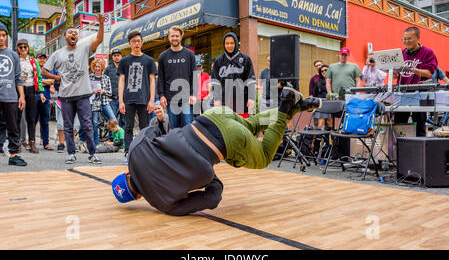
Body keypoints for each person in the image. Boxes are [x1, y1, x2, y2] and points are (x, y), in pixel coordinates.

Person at [111, 86, 322, 216]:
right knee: (250, 126)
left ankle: (285, 107)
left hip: (223, 143)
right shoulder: (135, 151)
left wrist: (208, 178)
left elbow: (212, 199)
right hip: (212, 116)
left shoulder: (163, 204)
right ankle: (296, 107)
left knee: (264, 157)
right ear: (127, 174)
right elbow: (156, 128)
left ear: (137, 197)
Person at [41, 13, 105, 164]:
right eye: (70, 32)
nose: (73, 34)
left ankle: (92, 153)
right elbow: (43, 71)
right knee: (68, 126)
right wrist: (57, 78)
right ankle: (71, 153)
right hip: (66, 96)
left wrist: (101, 24)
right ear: (65, 37)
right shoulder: (57, 54)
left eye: (76, 33)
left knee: (87, 125)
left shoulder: (84, 49)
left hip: (83, 94)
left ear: (77, 37)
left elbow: (99, 39)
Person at [118, 30, 156, 161]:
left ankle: (144, 152)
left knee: (144, 127)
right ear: (129, 43)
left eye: (139, 41)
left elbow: (152, 80)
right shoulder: (124, 61)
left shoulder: (149, 60)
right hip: (128, 99)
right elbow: (121, 81)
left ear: (142, 42)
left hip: (144, 98)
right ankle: (128, 153)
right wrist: (120, 101)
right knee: (128, 126)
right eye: (134, 41)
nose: (137, 43)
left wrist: (151, 100)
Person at [394, 27, 438, 137]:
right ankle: (399, 151)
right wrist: (389, 70)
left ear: (418, 38)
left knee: (419, 126)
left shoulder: (427, 52)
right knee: (399, 125)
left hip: (419, 94)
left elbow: (429, 73)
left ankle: (421, 152)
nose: (406, 41)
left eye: (409, 38)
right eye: (404, 39)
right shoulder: (401, 53)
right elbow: (397, 75)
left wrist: (413, 70)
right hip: (402, 95)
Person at [211, 32, 256, 118]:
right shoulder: (218, 61)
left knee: (242, 128)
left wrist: (251, 98)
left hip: (242, 102)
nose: (229, 46)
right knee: (227, 129)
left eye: (232, 43)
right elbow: (215, 82)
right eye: (227, 43)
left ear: (236, 43)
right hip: (224, 103)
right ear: (224, 44)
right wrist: (217, 99)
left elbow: (251, 80)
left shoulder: (246, 59)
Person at [0, 22, 27, 166]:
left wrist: (21, 96)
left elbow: (18, 77)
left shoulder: (13, 55)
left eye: (3, 35)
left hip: (10, 97)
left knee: (13, 127)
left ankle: (14, 155)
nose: (1, 38)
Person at [158, 26, 196, 128]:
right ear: (169, 37)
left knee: (188, 127)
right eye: (172, 36)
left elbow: (194, 75)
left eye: (177, 36)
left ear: (181, 37)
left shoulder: (189, 54)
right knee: (174, 129)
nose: (174, 38)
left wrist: (193, 94)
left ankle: (187, 145)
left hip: (187, 98)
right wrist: (161, 95)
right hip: (171, 98)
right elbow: (160, 78)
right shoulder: (163, 56)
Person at [16, 39, 45, 153]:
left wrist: (41, 92)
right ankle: (17, 142)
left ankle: (32, 142)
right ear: (18, 49)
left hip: (31, 89)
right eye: (20, 47)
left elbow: (38, 77)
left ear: (28, 48)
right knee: (18, 117)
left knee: (31, 118)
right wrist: (18, 79)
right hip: (19, 90)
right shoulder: (16, 60)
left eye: (25, 47)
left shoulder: (33, 61)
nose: (23, 49)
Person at [89, 59, 117, 146]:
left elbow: (110, 93)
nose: (97, 68)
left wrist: (103, 91)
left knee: (113, 119)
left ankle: (112, 139)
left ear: (102, 68)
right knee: (94, 122)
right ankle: (96, 142)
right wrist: (92, 91)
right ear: (93, 67)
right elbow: (85, 91)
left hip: (104, 102)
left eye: (99, 66)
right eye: (96, 66)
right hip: (94, 103)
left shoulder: (106, 78)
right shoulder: (90, 77)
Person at [35, 52, 55, 150]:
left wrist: (39, 82)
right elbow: (34, 81)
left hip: (46, 99)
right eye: (40, 58)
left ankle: (46, 143)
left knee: (45, 122)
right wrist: (44, 82)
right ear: (36, 59)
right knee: (33, 122)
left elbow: (52, 82)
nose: (42, 60)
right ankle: (31, 142)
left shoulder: (48, 71)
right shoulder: (34, 70)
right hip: (34, 99)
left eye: (44, 58)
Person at [104, 48, 125, 128]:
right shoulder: (108, 69)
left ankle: (122, 137)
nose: (116, 57)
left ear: (121, 57)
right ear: (112, 57)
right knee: (112, 120)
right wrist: (107, 96)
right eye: (115, 56)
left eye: (118, 55)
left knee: (124, 119)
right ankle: (112, 138)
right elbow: (104, 82)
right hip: (112, 98)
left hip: (123, 98)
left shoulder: (125, 68)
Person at [312, 64, 332, 130]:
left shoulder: (333, 81)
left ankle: (330, 139)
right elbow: (314, 94)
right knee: (320, 125)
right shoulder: (318, 82)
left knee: (330, 124)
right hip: (321, 104)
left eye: (326, 70)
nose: (324, 72)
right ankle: (320, 139)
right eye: (322, 71)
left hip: (331, 104)